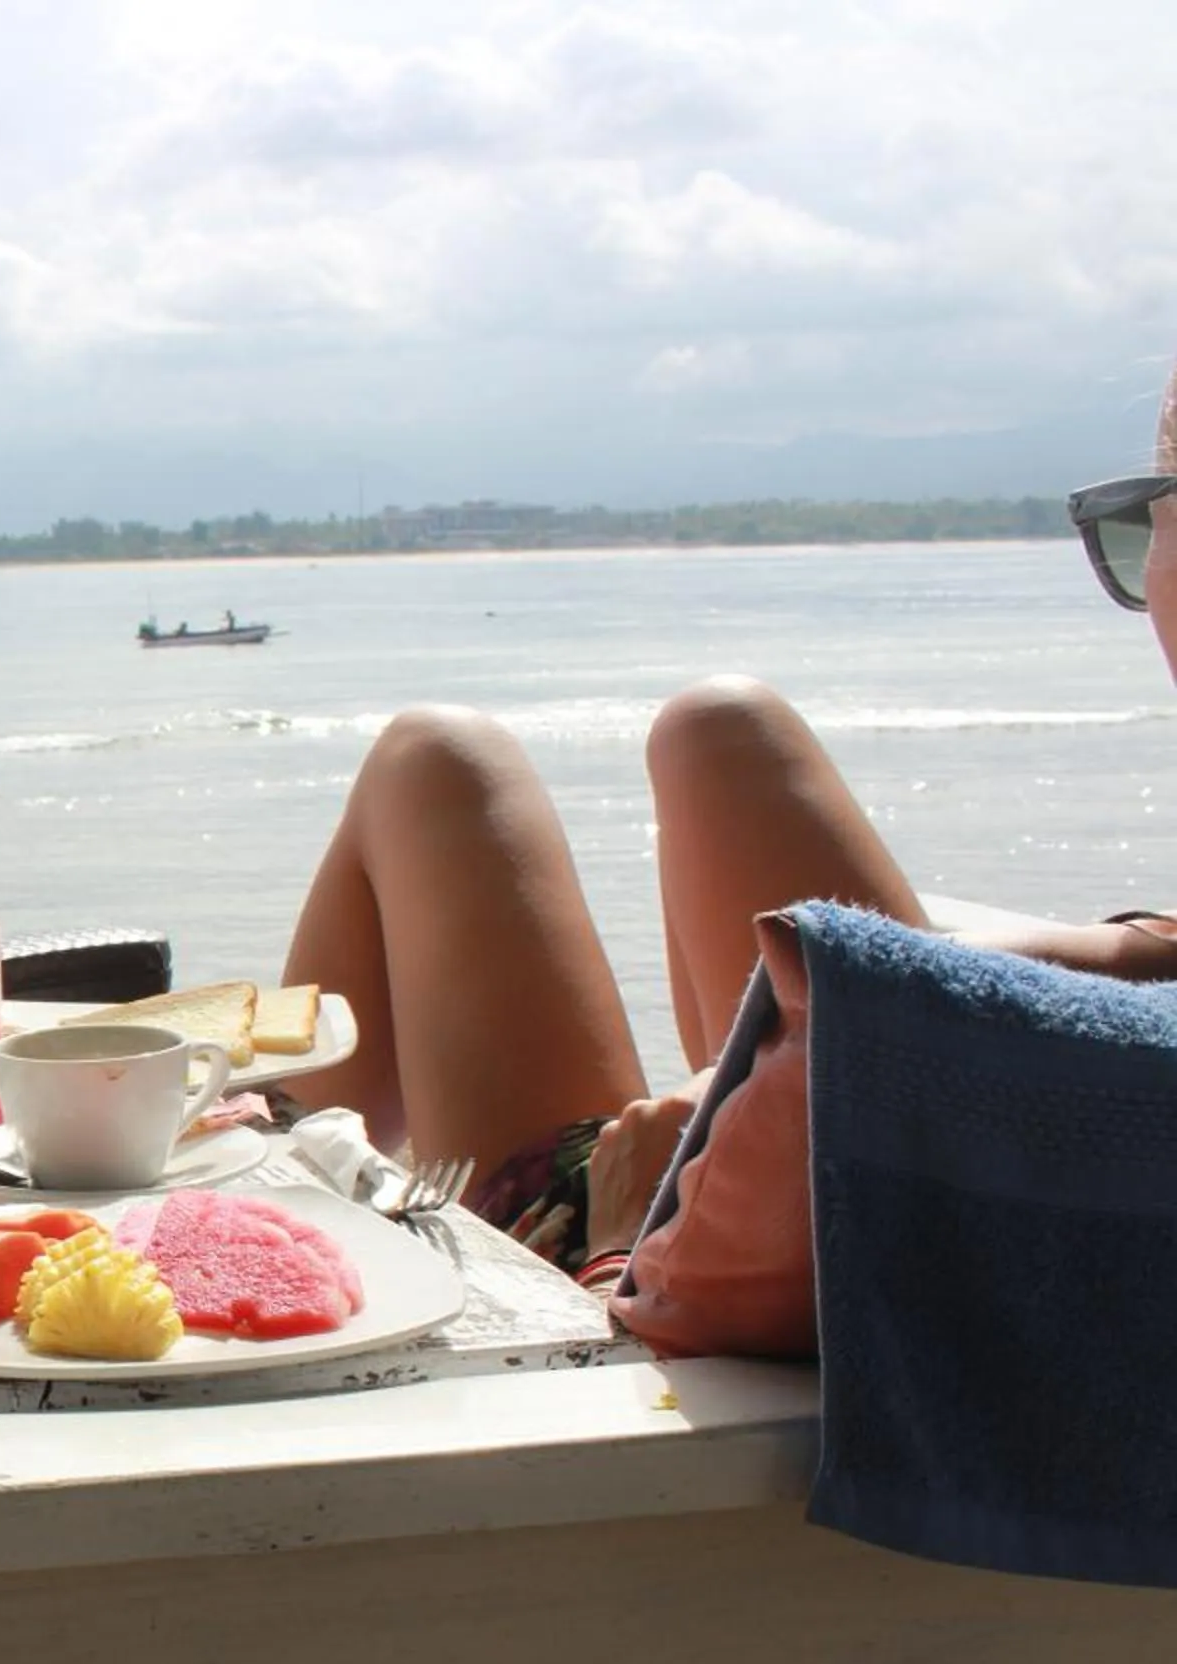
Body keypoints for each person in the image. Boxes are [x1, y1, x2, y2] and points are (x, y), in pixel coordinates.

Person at [280, 363, 1177, 1296]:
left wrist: (618, 1240)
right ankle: (268, 1163)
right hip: (873, 1182)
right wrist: (907, 975)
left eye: (1146, 511)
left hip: (790, 1294)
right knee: (721, 729)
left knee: (433, 761)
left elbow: (649, 1340)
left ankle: (250, 1198)